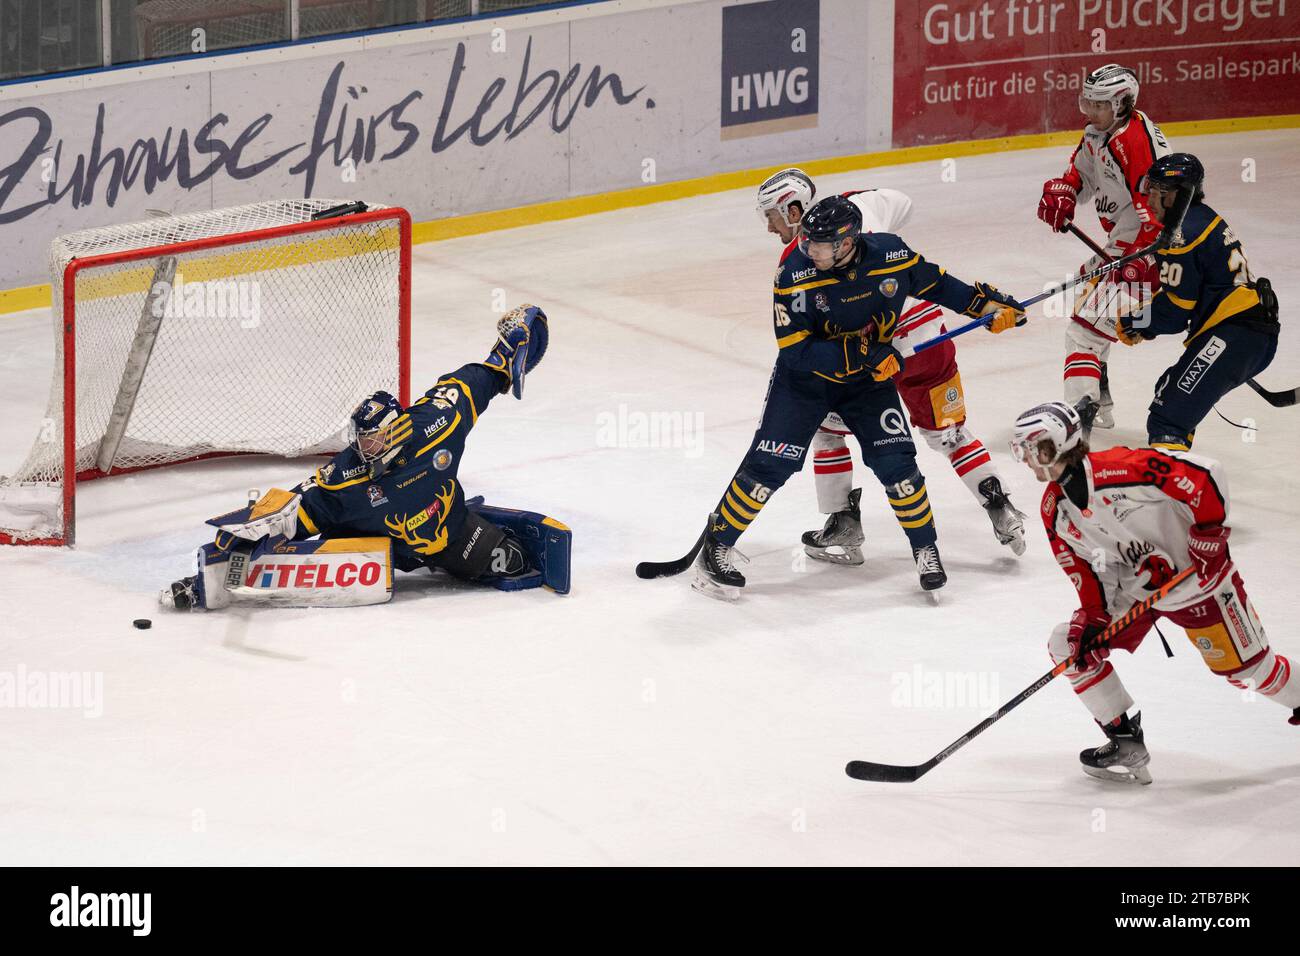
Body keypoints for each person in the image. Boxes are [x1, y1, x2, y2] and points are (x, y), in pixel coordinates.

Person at [693, 193, 1025, 600]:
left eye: (818, 244)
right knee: (770, 465)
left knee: (897, 464)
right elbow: (795, 349)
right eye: (808, 241)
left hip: (866, 382)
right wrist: (866, 353)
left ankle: (926, 551)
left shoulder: (890, 253)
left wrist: (984, 304)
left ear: (847, 243)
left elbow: (936, 283)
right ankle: (717, 549)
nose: (806, 249)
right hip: (806, 382)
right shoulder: (793, 273)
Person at [161, 305, 571, 609]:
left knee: (514, 564)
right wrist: (250, 530)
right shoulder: (345, 475)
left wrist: (513, 345)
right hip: (380, 550)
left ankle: (468, 542)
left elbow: (485, 375)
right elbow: (298, 507)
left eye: (373, 441)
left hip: (450, 533)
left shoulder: (439, 421)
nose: (364, 449)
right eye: (362, 441)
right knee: (312, 531)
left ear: (395, 431)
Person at [1010, 400, 1299, 784]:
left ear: (1052, 445)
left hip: (1199, 586)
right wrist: (1092, 619)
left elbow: (1206, 477)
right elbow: (1088, 573)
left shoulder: (1125, 469)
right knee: (1070, 646)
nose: (1026, 460)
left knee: (1250, 673)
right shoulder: (1055, 510)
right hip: (1138, 594)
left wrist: (1209, 536)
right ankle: (1125, 739)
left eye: (1029, 450)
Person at [756, 167, 1026, 562]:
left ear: (793, 209)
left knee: (826, 428)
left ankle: (843, 522)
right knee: (948, 434)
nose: (768, 227)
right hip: (929, 337)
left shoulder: (797, 259)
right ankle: (1000, 506)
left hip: (873, 355)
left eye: (772, 216)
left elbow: (812, 338)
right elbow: (904, 203)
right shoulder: (858, 204)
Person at [1116, 153, 1281, 451]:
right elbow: (1191, 288)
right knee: (1169, 392)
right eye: (1149, 190)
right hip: (1249, 335)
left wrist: (1136, 322)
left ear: (1178, 195)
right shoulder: (1202, 218)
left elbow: (1177, 311)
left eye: (1157, 193)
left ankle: (1172, 491)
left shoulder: (1180, 234)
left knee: (1168, 419)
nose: (1150, 199)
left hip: (1235, 335)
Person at [1037, 63, 1170, 429]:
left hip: (1151, 252)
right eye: (1088, 103)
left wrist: (1142, 261)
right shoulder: (1098, 133)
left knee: (1082, 330)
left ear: (1123, 103)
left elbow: (1160, 218)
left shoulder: (1135, 141)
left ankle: (1079, 417)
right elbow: (1079, 174)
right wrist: (1064, 195)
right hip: (1123, 244)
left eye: (1099, 105)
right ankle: (1100, 405)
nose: (1090, 112)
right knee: (1092, 313)